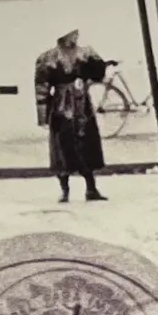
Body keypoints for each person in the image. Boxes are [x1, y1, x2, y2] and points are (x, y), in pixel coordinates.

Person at [34, 31, 107, 202]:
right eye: (73, 35)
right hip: (61, 107)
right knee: (63, 148)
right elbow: (41, 87)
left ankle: (91, 188)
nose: (76, 38)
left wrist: (95, 59)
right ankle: (65, 190)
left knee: (86, 145)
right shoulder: (48, 58)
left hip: (82, 105)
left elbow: (98, 74)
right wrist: (43, 115)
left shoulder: (83, 54)